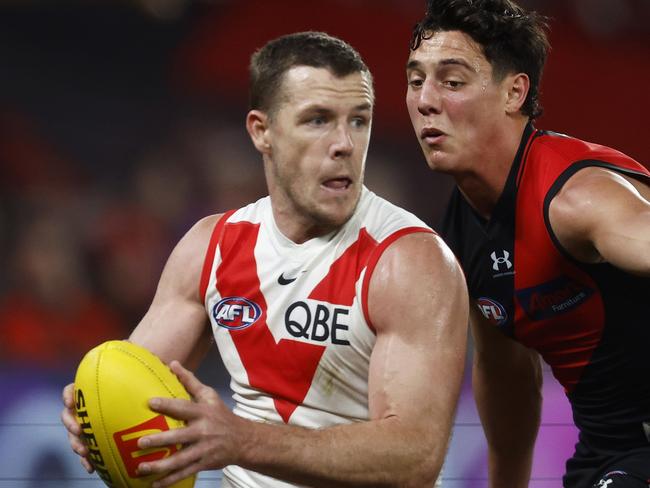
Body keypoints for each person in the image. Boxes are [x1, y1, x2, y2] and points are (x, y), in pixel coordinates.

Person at [61, 31, 469, 488]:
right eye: (317, 120)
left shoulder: (410, 261)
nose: (344, 144)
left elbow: (414, 459)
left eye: (359, 120)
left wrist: (244, 441)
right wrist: (93, 413)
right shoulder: (211, 247)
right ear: (262, 131)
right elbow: (133, 383)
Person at [405, 1, 650, 487]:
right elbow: (507, 377)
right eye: (416, 81)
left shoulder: (578, 197)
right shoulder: (457, 233)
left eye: (451, 81)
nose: (426, 100)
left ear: (514, 92)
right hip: (610, 450)